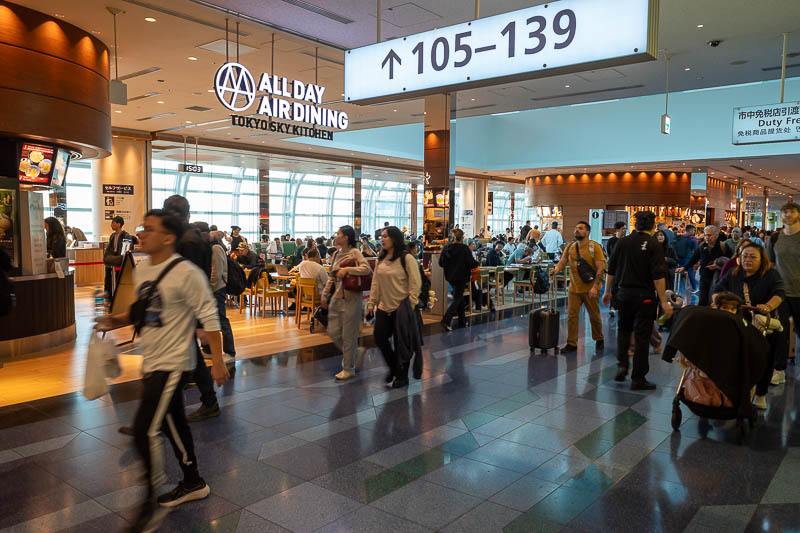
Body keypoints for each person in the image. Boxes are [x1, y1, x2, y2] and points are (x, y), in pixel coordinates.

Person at [96, 209, 228, 532]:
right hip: (151, 360)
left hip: (173, 363)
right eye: (142, 227)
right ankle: (193, 481)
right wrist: (115, 321)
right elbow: (143, 310)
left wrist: (218, 362)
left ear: (168, 238)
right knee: (173, 423)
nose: (141, 233)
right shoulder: (143, 269)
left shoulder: (187, 273)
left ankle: (148, 504)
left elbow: (211, 319)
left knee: (145, 429)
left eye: (149, 229)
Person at [602, 211, 673, 390]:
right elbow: (658, 276)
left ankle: (622, 365)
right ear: (653, 225)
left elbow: (611, 268)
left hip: (623, 294)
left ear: (636, 224)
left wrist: (607, 291)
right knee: (642, 336)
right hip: (644, 297)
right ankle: (638, 378)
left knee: (623, 331)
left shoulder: (622, 242)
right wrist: (664, 301)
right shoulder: (654, 244)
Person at [712, 243, 784, 409]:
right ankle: (736, 392)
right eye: (744, 256)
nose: (747, 260)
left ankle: (761, 394)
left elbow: (779, 293)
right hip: (738, 324)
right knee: (736, 359)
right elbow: (717, 289)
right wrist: (718, 302)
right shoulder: (733, 273)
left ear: (762, 259)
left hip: (762, 326)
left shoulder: (771, 275)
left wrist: (768, 306)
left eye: (753, 257)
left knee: (764, 360)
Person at [367, 226, 421, 387]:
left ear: (395, 238)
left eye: (385, 236)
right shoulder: (381, 259)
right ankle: (393, 367)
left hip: (401, 308)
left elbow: (415, 284)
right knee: (379, 338)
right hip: (383, 307)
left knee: (401, 343)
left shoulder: (407, 258)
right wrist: (371, 303)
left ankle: (402, 376)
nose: (382, 239)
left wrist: (410, 305)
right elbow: (375, 282)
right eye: (381, 236)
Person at [322, 225, 372, 380]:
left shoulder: (355, 252)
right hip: (337, 297)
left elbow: (366, 269)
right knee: (333, 331)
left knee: (349, 334)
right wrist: (325, 294)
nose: (336, 236)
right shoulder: (336, 254)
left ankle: (348, 368)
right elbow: (331, 276)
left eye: (338, 234)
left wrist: (348, 270)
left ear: (346, 238)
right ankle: (356, 353)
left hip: (352, 298)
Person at [550, 221, 606, 353]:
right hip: (574, 289)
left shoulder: (594, 247)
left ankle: (599, 338)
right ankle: (572, 343)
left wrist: (595, 287)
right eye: (576, 228)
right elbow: (562, 261)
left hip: (590, 289)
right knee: (572, 316)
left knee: (594, 316)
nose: (576, 230)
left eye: (580, 228)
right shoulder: (570, 247)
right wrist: (556, 270)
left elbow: (600, 268)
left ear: (587, 232)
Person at [767, 201, 800, 384]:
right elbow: (770, 265)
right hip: (781, 293)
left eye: (792, 211)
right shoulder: (774, 238)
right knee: (780, 331)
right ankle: (779, 369)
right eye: (785, 212)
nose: (788, 215)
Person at [205, 229, 236, 374]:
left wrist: (210, 288)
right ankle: (209, 349)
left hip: (217, 289)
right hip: (215, 289)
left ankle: (230, 352)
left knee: (222, 320)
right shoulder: (213, 247)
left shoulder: (216, 248)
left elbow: (216, 273)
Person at [439, 228, 478, 331]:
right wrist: (477, 263)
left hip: (450, 277)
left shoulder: (446, 248)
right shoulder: (464, 249)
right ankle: (446, 320)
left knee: (459, 297)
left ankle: (462, 321)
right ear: (462, 238)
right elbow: (472, 263)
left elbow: (441, 263)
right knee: (458, 298)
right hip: (462, 276)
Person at [677, 225, 725, 306]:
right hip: (704, 276)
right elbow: (694, 258)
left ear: (716, 235)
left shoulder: (723, 246)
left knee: (713, 300)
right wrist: (684, 267)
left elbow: (728, 261)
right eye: (705, 235)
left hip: (717, 277)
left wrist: (717, 266)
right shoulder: (702, 246)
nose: (707, 237)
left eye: (709, 235)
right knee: (702, 299)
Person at [103, 216, 137, 299]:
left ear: (119, 224)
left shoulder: (126, 236)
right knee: (108, 276)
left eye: (113, 223)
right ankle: (109, 295)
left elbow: (125, 251)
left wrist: (115, 259)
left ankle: (118, 297)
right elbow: (110, 249)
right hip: (112, 261)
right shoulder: (112, 236)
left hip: (119, 261)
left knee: (118, 279)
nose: (111, 225)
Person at [673, 225, 699, 293]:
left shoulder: (679, 237)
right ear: (690, 230)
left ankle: (678, 290)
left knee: (679, 273)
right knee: (690, 273)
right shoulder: (693, 239)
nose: (694, 232)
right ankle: (694, 288)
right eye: (694, 230)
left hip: (678, 258)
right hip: (688, 259)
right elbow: (697, 250)